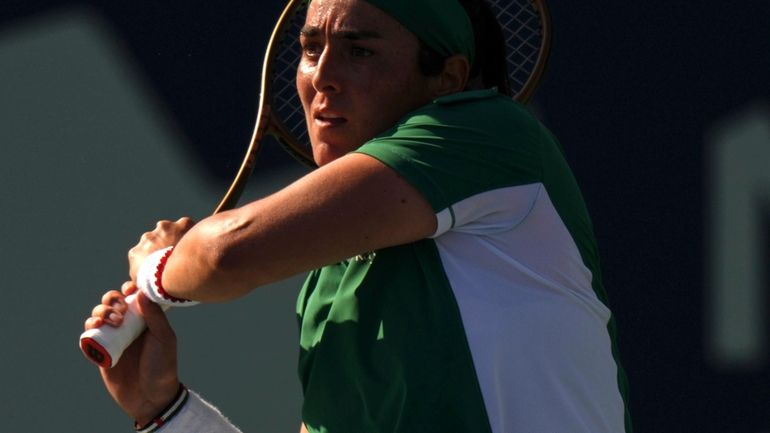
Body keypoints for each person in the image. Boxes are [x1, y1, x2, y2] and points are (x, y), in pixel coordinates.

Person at [84, 0, 632, 432]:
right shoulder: (331, 281)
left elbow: (228, 255)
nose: (322, 76)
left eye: (359, 51)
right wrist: (165, 412)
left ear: (447, 76)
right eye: (310, 48)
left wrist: (158, 269)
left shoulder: (492, 136)